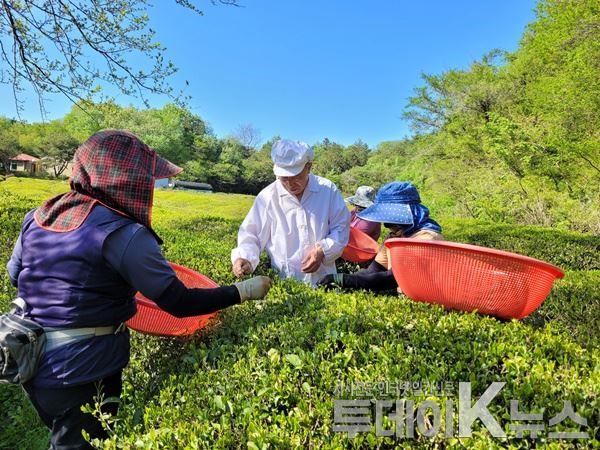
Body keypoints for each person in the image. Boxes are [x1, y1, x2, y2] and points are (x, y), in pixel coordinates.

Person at [6, 130, 271, 449]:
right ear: (126, 178)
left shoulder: (38, 216)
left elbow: (15, 275)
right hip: (80, 369)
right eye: (148, 178)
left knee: (62, 433)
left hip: (26, 359)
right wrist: (242, 291)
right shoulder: (124, 232)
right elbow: (178, 301)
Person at [231, 139, 350, 286]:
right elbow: (252, 233)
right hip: (284, 283)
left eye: (297, 177)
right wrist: (245, 257)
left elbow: (341, 227)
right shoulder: (268, 196)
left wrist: (323, 250)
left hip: (325, 279)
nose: (290, 184)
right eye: (284, 179)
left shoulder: (327, 190)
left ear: (309, 167)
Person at [317, 181, 443, 291]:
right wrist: (340, 279)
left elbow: (395, 277)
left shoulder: (426, 238)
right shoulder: (394, 237)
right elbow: (374, 270)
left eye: (392, 221)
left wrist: (345, 280)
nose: (387, 225)